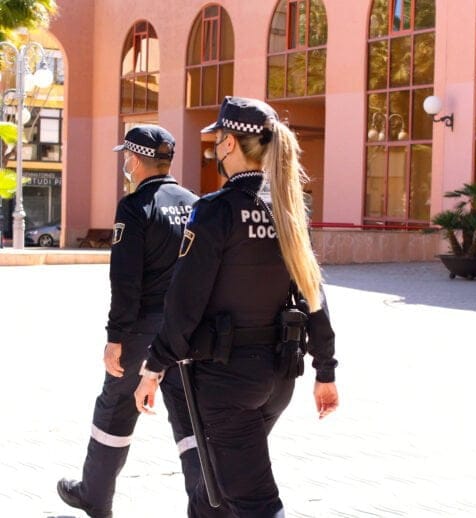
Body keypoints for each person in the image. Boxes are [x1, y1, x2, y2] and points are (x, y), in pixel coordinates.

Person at [134, 96, 339, 517]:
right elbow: (313, 296)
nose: (213, 150)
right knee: (214, 493)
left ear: (229, 144)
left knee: (254, 501)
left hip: (226, 383)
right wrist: (326, 370)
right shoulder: (286, 212)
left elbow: (185, 301)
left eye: (216, 141)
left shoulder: (213, 211)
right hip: (277, 379)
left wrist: (153, 367)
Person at [57, 125, 201, 518]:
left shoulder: (135, 207)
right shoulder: (197, 204)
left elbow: (124, 279)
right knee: (191, 418)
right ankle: (207, 506)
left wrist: (116, 338)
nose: (125, 163)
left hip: (144, 331)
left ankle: (95, 495)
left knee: (116, 409)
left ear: (135, 160)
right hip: (190, 331)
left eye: (127, 156)